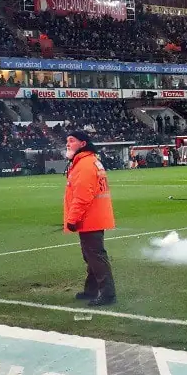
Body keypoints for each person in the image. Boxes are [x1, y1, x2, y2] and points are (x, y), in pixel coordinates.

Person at [63, 131, 117, 307]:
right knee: (91, 256)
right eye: (67, 141)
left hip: (89, 218)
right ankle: (92, 290)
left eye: (72, 141)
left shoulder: (84, 165)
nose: (67, 144)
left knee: (95, 256)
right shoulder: (89, 161)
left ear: (83, 143)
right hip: (95, 216)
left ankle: (107, 294)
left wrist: (72, 219)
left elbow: (83, 196)